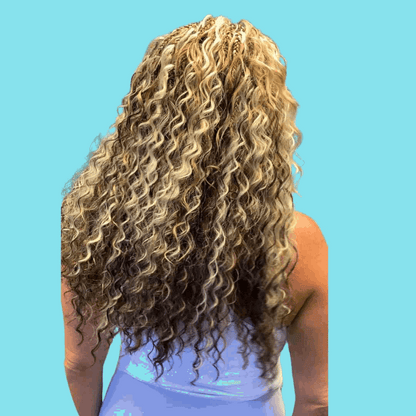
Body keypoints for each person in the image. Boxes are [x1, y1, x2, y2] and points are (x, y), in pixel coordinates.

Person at [61, 14, 328, 416]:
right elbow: (316, 399)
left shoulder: (101, 221)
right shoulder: (298, 242)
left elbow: (80, 363)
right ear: (268, 120)